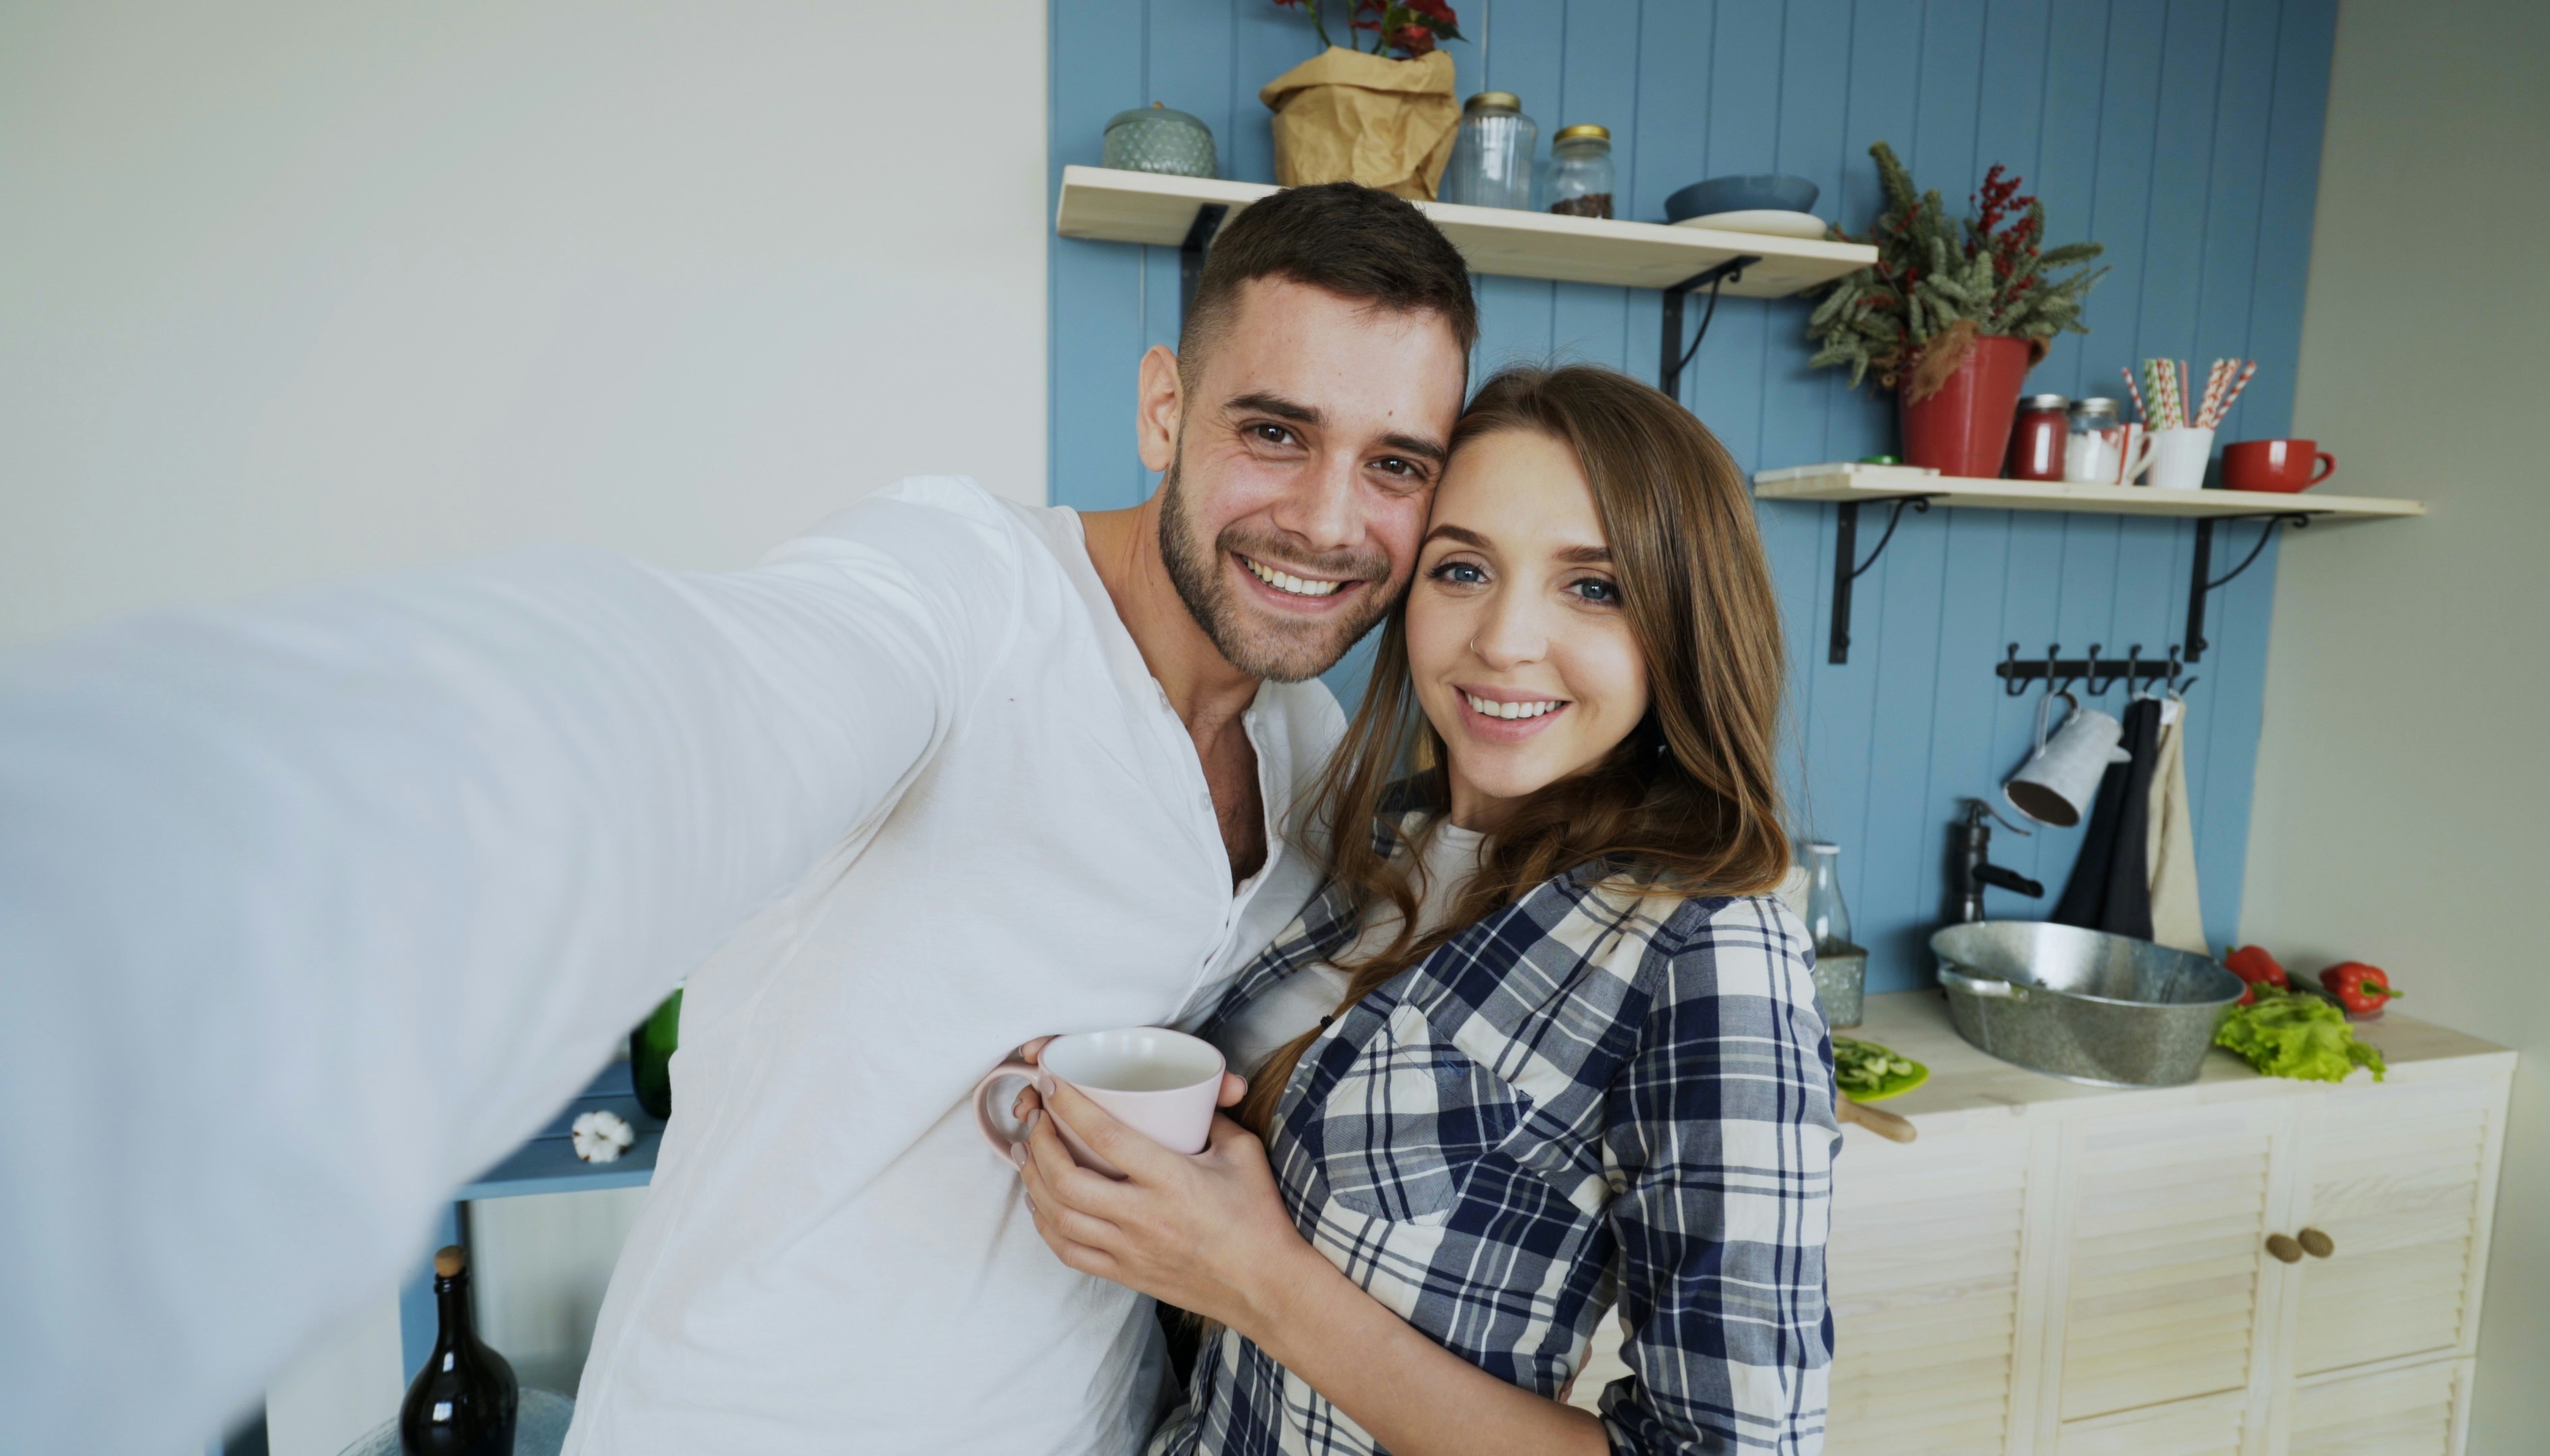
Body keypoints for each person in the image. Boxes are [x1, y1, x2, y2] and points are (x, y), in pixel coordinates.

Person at [0, 183, 1474, 1456]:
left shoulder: (1308, 735)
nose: (1333, 523)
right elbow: (683, 708)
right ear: (1164, 406)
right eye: (1275, 431)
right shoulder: (960, 594)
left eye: (1396, 463)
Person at [1009, 366, 1839, 1455]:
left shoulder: (1707, 944)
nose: (1503, 640)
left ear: (1680, 627)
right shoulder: (1369, 843)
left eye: (1594, 587)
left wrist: (1256, 1278)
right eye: (1462, 569)